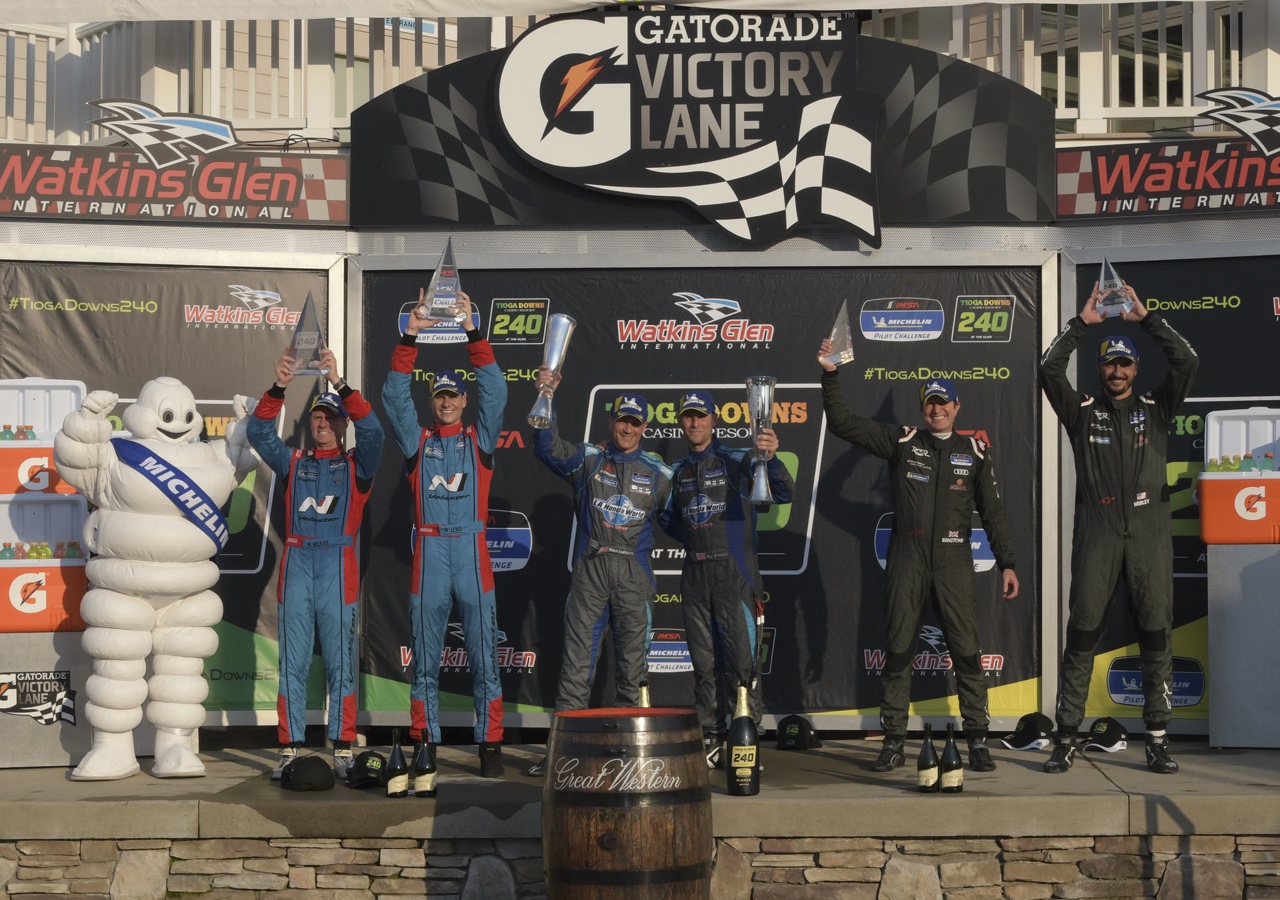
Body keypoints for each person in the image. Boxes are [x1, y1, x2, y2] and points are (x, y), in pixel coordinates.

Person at [818, 340, 1020, 774]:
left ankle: (977, 741)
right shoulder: (903, 442)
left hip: (954, 562)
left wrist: (1007, 562)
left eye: (943, 402)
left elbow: (994, 512)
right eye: (930, 402)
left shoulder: (974, 452)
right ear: (922, 408)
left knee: (967, 652)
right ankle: (893, 741)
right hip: (907, 560)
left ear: (957, 407)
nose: (937, 409)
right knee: (898, 651)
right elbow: (842, 423)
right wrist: (831, 374)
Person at [1038, 281, 1198, 775]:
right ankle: (1067, 736)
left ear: (1136, 368)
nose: (1117, 371)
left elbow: (1187, 361)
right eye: (1110, 364)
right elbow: (1047, 369)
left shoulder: (1157, 408)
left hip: (1150, 535)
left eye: (1125, 363)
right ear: (1100, 368)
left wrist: (1146, 319)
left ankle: (1157, 740)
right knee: (1082, 632)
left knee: (1156, 633)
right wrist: (1081, 324)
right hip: (1098, 534)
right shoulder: (1081, 412)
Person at [381, 290, 509, 781]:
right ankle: (425, 743)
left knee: (484, 655)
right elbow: (394, 397)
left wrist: (473, 330)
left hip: (472, 552)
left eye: (455, 395)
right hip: (431, 550)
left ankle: (490, 743)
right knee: (425, 659)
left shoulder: (482, 439)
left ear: (464, 401)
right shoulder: (418, 442)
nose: (448, 402)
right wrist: (410, 335)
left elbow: (497, 390)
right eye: (440, 396)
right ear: (433, 401)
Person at [246, 347, 385, 780]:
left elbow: (374, 431)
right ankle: (289, 748)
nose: (322, 423)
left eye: (330, 417)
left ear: (343, 425)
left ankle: (342, 747)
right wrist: (279, 386)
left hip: (338, 566)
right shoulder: (294, 461)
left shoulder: (357, 464)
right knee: (293, 660)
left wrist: (339, 383)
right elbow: (258, 432)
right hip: (298, 561)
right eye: (317, 417)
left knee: (341, 660)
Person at [525, 373, 674, 776]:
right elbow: (547, 448)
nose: (628, 428)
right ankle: (564, 756)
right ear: (611, 421)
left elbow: (686, 519)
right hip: (591, 570)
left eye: (635, 422)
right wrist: (546, 396)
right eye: (622, 420)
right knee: (576, 667)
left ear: (645, 427)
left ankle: (632, 758)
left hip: (633, 576)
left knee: (633, 671)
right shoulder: (590, 459)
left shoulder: (660, 473)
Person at [663, 389, 794, 767]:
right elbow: (669, 519)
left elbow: (784, 492)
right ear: (680, 421)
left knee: (742, 663)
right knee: (704, 664)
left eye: (701, 415)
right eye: (688, 416)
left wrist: (771, 458)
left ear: (714, 420)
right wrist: (696, 539)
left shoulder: (740, 459)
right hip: (694, 572)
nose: (694, 422)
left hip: (735, 572)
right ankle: (711, 734)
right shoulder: (677, 471)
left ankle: (744, 736)